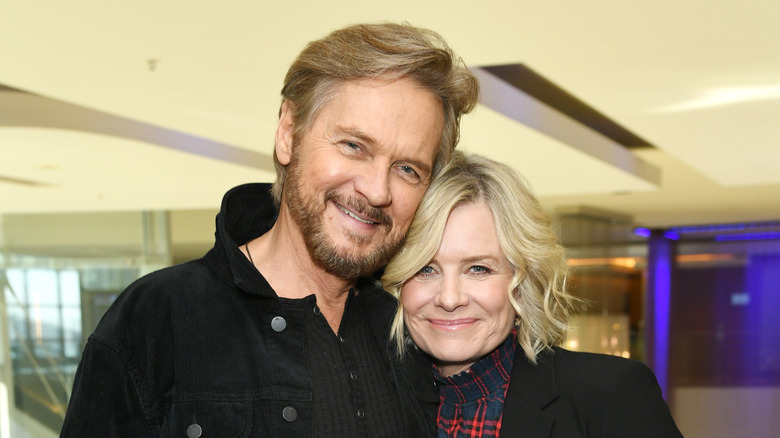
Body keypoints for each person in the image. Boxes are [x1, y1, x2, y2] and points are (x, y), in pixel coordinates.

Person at [61, 23, 478, 437]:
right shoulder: (157, 320)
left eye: (407, 169)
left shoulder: (416, 334)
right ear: (287, 134)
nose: (376, 190)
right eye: (354, 146)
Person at [382, 152, 684, 438]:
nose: (449, 298)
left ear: (524, 283)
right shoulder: (377, 402)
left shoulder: (610, 393)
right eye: (425, 269)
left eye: (478, 269)